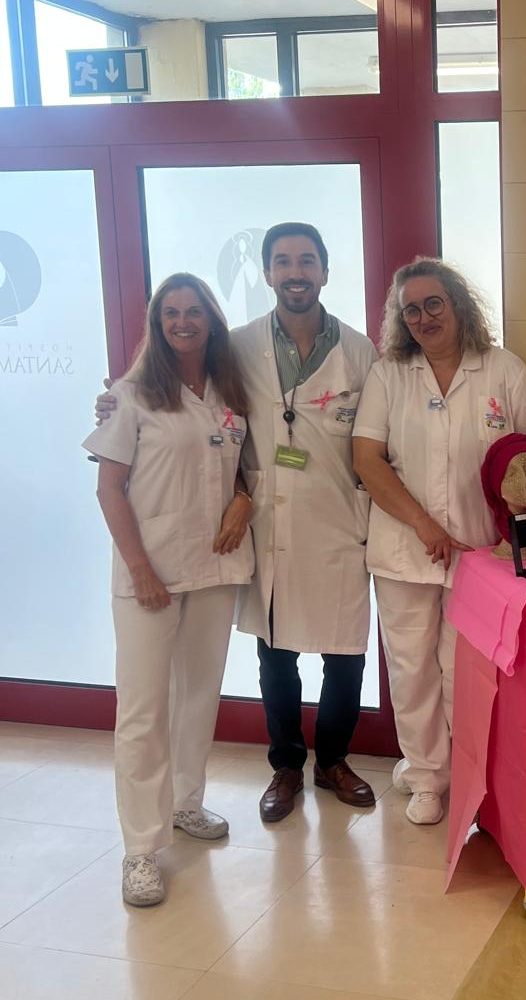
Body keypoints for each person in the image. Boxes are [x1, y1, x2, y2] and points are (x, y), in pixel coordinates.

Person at [98, 223, 379, 822]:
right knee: (275, 653)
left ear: (325, 271)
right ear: (268, 273)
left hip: (337, 521)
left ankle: (333, 760)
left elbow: (381, 435)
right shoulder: (239, 347)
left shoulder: (361, 352)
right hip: (266, 525)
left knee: (345, 654)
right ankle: (286, 765)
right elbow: (173, 383)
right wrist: (114, 399)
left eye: (307, 261)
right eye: (284, 261)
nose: (296, 272)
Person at [352, 258, 526, 824]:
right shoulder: (389, 374)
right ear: (401, 319)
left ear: (457, 305)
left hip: (481, 553)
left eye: (434, 304)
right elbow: (367, 460)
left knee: (465, 671)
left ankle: (468, 773)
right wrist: (422, 522)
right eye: (411, 310)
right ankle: (427, 777)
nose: (424, 317)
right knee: (411, 670)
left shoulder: (502, 369)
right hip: (405, 549)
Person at [84, 273, 254, 906]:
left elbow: (242, 466)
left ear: (211, 320)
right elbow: (109, 488)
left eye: (194, 311)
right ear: (157, 325)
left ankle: (186, 802)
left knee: (198, 696)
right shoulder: (130, 396)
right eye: (171, 313)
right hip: (149, 574)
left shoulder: (229, 392)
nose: (183, 322)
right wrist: (140, 570)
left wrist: (244, 500)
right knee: (143, 710)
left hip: (213, 566)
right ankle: (140, 848)